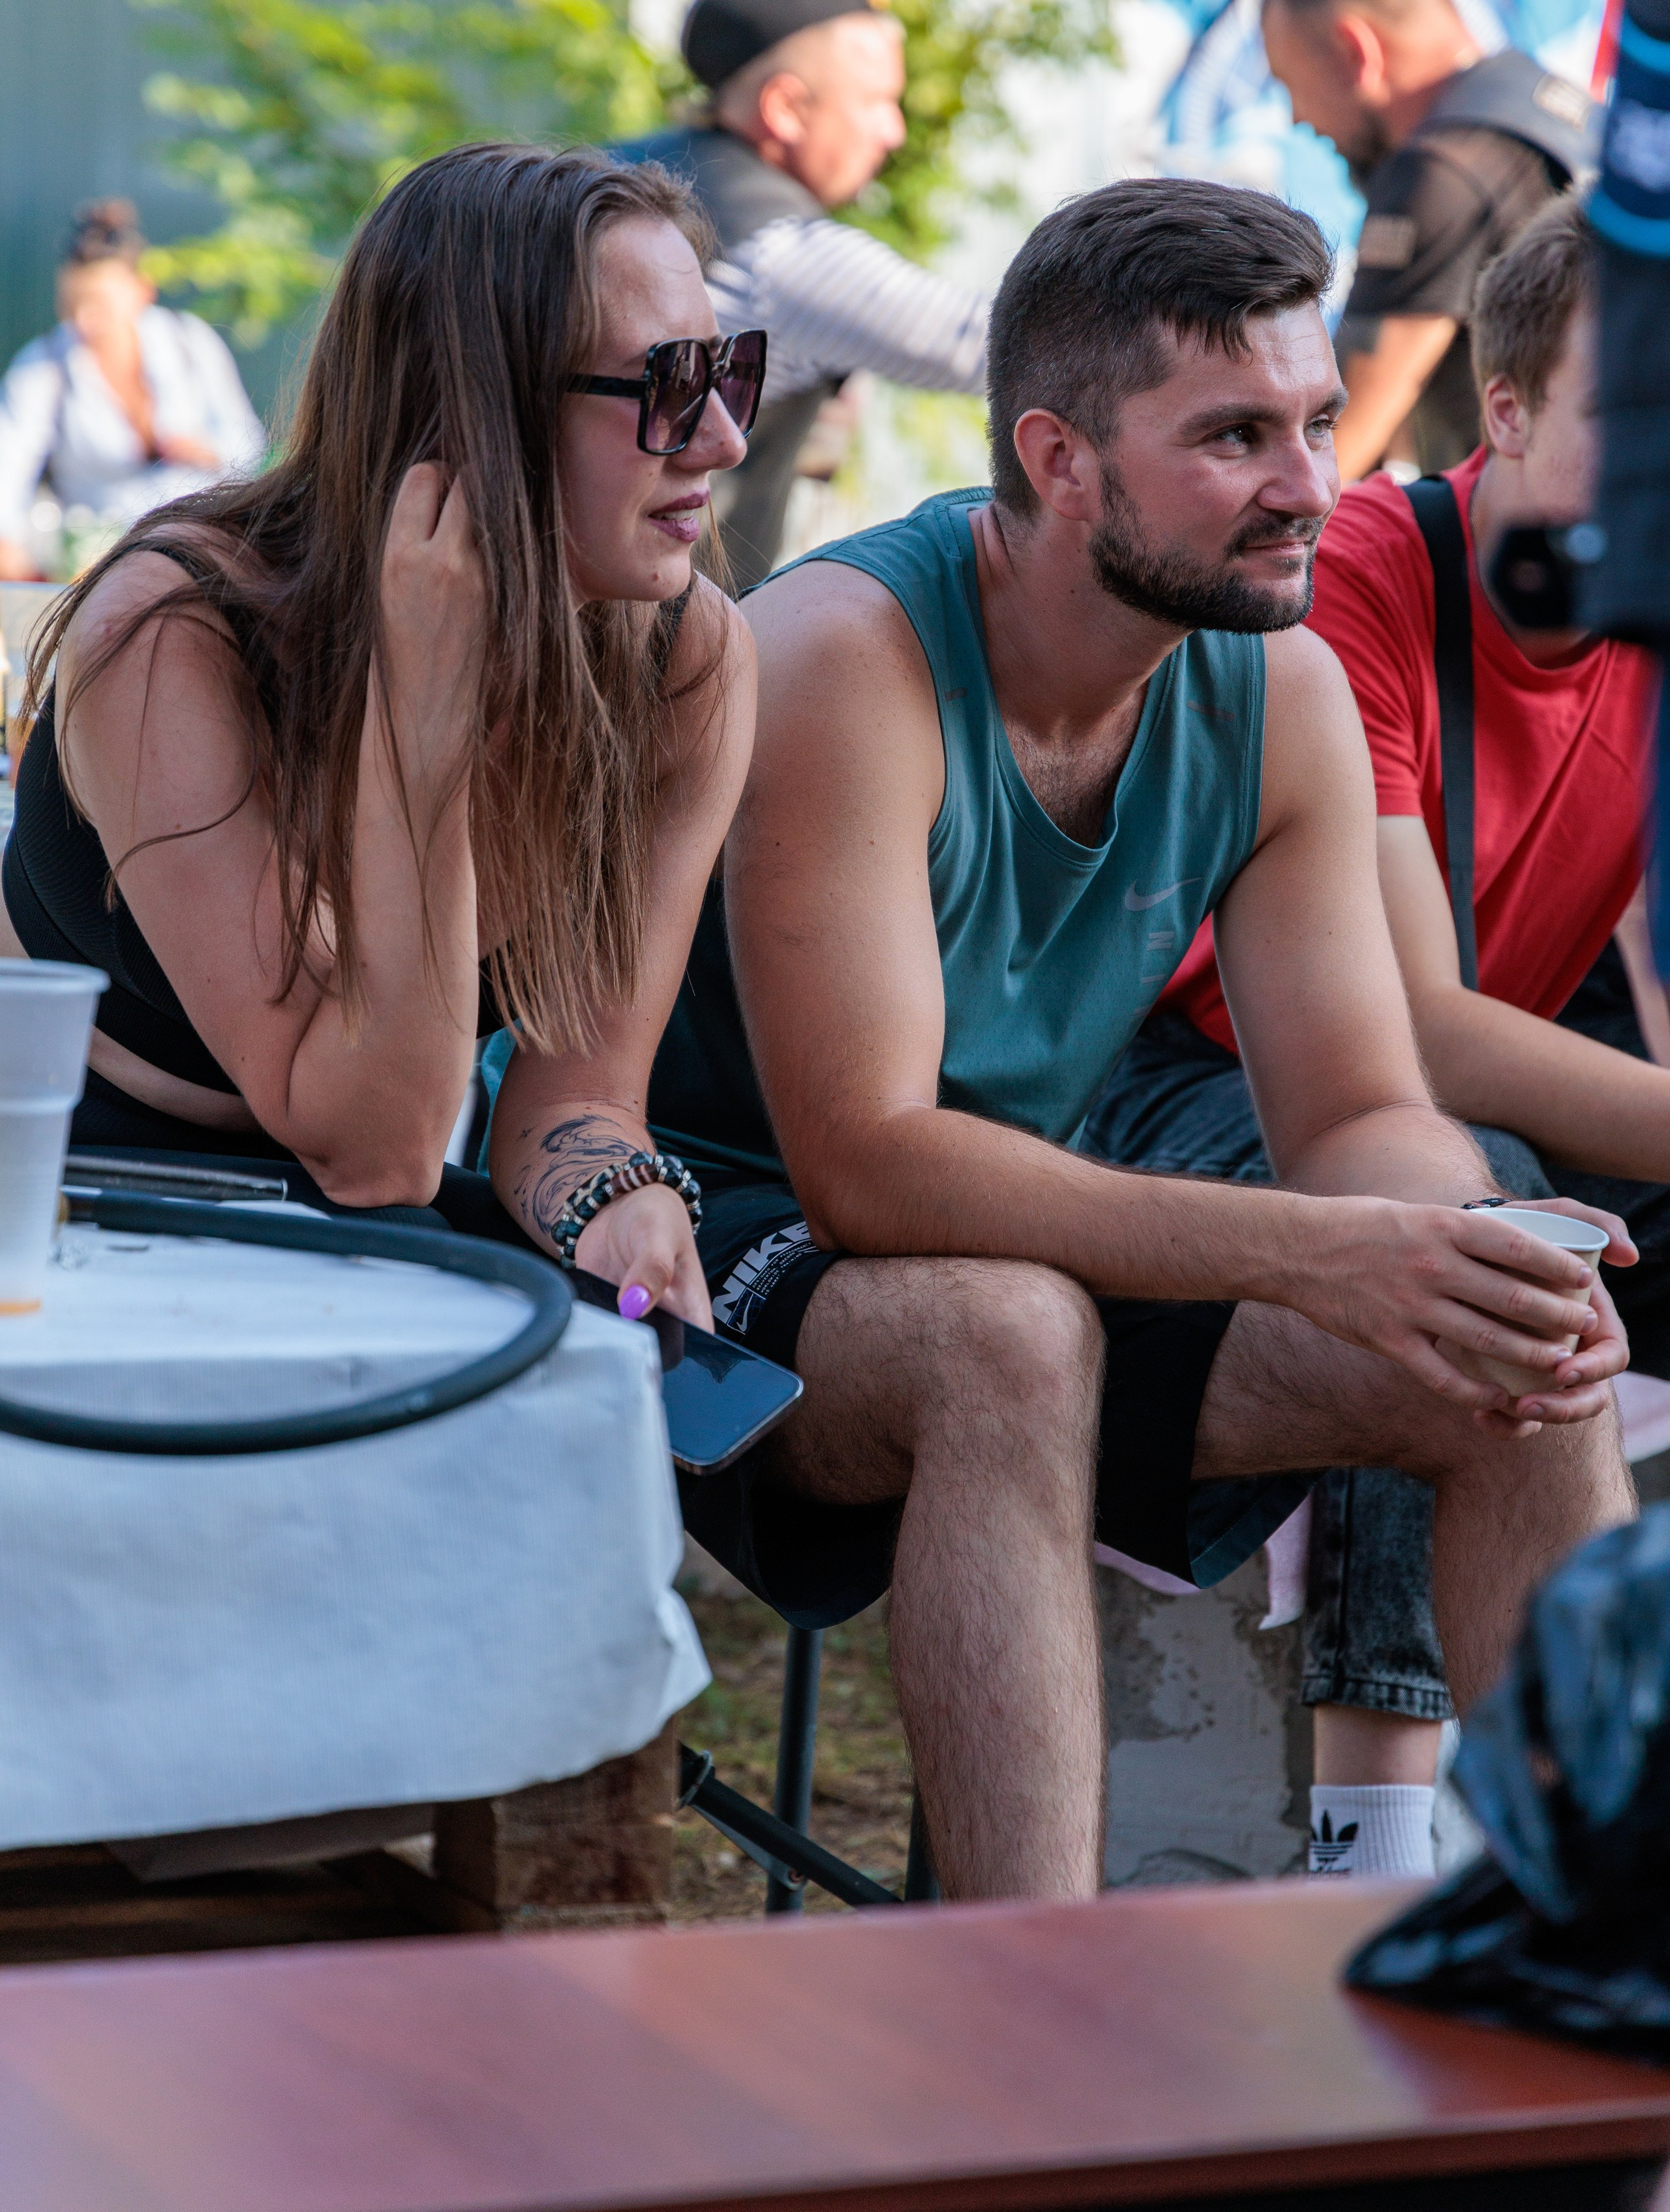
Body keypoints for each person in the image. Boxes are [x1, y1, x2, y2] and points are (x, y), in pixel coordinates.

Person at [643, 176, 1635, 1902]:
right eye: (1238, 437)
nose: (1312, 488)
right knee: (1007, 1339)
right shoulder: (842, 655)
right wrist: (1327, 1255)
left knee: (1519, 1348)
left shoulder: (1280, 682)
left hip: (1020, 1216)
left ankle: (1613, 1960)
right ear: (1059, 458)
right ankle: (1034, 2049)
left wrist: (1460, 1237)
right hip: (705, 1257)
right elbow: (869, 1163)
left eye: (1321, 423)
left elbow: (1354, 1109)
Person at [1093, 195, 1667, 1879]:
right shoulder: (1355, 574)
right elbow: (1407, 1027)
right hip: (1212, 1072)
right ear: (1503, 415)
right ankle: (1382, 1829)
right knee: (1478, 1227)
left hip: (1451, 1081)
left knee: (1494, 1193)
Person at [0, 144, 759, 1321]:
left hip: (353, 1217)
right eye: (665, 385)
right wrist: (424, 714)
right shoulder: (175, 633)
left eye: (729, 374)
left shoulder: (682, 661)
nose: (722, 439)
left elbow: (578, 1099)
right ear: (477, 412)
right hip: (70, 1191)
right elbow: (375, 1154)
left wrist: (615, 1201)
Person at [620, 0, 988, 589]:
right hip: (659, 650)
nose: (893, 131)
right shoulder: (782, 259)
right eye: (877, 100)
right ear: (785, 108)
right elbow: (997, 346)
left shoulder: (617, 182)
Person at [1261, 0, 1596, 482]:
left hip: (1534, 544)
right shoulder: (1561, 112)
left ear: (1355, 52)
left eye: (1288, 83)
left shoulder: (1440, 173)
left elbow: (1333, 455)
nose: (1297, 116)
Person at [0, 200, 265, 581]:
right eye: (72, 303)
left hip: (205, 546)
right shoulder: (43, 366)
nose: (84, 319)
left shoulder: (190, 342)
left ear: (143, 290)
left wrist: (204, 451)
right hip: (99, 560)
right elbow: (9, 466)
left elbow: (249, 443)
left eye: (100, 304)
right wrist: (8, 544)